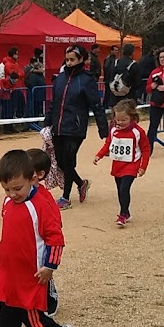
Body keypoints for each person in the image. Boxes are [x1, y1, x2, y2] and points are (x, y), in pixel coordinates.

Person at [0, 149, 74, 327]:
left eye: (17, 188)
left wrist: (50, 266)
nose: (12, 194)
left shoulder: (41, 205)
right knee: (6, 317)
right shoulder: (8, 201)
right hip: (8, 273)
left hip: (31, 276)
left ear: (32, 178)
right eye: (7, 189)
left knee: (33, 320)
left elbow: (55, 238)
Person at [43, 44, 108, 210]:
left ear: (81, 59)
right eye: (67, 59)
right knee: (61, 162)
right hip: (58, 126)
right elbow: (54, 103)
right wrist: (47, 121)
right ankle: (81, 183)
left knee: (68, 160)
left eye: (72, 59)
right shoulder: (60, 78)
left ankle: (65, 197)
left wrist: (103, 128)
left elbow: (96, 105)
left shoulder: (87, 80)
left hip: (75, 128)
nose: (69, 63)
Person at [93, 99, 150, 228]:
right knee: (120, 189)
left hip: (131, 165)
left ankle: (123, 214)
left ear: (131, 117)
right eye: (118, 120)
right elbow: (108, 144)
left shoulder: (138, 132)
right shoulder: (113, 130)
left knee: (124, 188)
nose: (120, 122)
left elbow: (146, 149)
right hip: (118, 164)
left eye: (124, 120)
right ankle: (126, 211)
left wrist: (143, 166)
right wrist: (99, 155)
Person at [25, 147, 62, 317]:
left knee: (42, 273)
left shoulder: (44, 198)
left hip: (41, 243)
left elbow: (55, 226)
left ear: (39, 175)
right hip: (26, 243)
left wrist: (51, 263)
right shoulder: (18, 193)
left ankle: (50, 297)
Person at [105, 42, 139, 109]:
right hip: (128, 97)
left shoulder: (116, 62)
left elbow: (110, 76)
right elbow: (137, 83)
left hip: (114, 96)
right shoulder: (134, 65)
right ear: (132, 52)